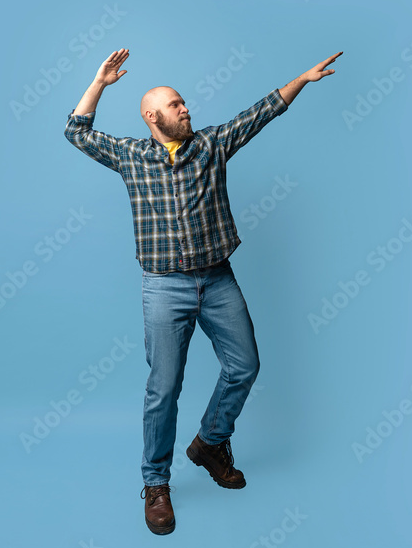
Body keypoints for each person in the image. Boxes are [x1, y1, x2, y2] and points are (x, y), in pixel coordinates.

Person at [63, 48, 342, 535]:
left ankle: (211, 441)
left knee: (245, 366)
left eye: (184, 101)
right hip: (163, 286)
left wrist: (301, 78)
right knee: (163, 389)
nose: (185, 107)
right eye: (175, 105)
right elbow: (76, 132)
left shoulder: (211, 144)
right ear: (153, 117)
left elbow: (263, 111)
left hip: (217, 280)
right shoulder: (131, 156)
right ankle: (155, 484)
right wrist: (100, 83)